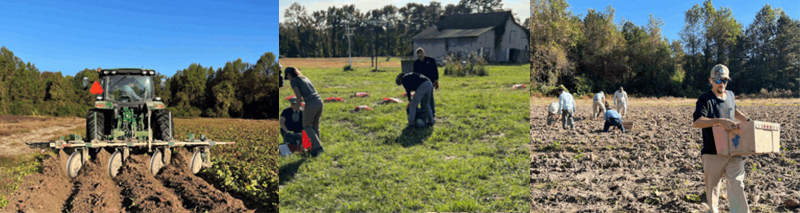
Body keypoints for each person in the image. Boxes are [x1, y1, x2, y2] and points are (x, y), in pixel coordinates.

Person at [692, 64, 752, 213]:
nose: (722, 84)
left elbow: (734, 109)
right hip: (712, 153)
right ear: (711, 80)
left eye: (725, 80)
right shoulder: (705, 99)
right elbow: (697, 122)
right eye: (718, 81)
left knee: (737, 184)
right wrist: (719, 121)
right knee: (712, 190)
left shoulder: (730, 95)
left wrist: (748, 121)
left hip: (733, 150)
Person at [285, 67, 325, 156]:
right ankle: (314, 146)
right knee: (315, 126)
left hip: (311, 104)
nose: (288, 79)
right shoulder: (305, 78)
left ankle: (317, 147)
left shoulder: (294, 81)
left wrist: (296, 111)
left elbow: (299, 97)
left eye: (287, 76)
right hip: (319, 102)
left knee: (307, 126)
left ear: (289, 74)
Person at [412, 48, 439, 119]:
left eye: (421, 55)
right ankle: (424, 113)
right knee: (422, 99)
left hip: (430, 83)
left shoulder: (431, 60)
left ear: (423, 53)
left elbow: (435, 71)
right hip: (420, 84)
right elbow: (415, 75)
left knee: (430, 99)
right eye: (418, 56)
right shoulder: (416, 63)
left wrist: (436, 81)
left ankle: (432, 114)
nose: (420, 57)